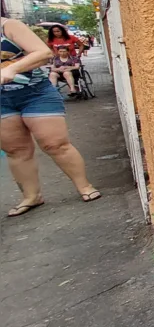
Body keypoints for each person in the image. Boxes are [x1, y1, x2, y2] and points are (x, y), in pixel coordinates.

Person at [2, 17, 102, 217]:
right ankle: (31, 196)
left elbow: (43, 53)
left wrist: (11, 68)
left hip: (35, 92)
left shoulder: (8, 26)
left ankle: (85, 186)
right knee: (15, 149)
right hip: (2, 100)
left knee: (54, 144)